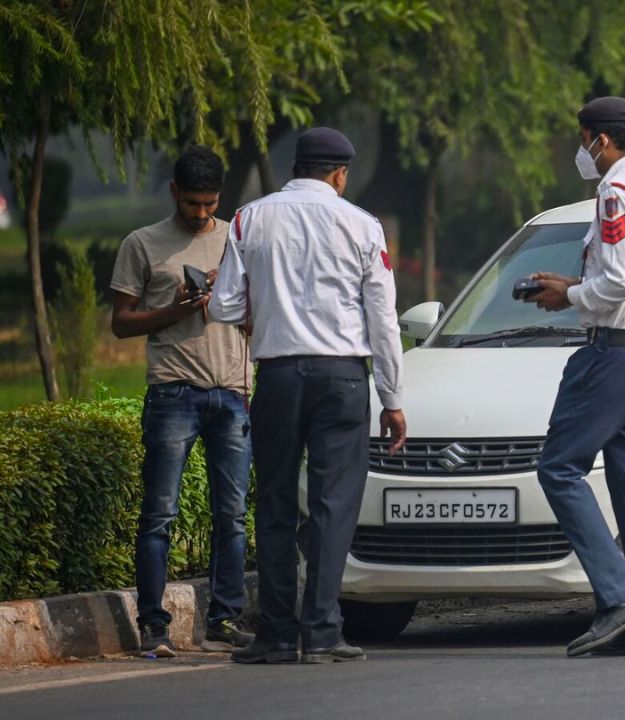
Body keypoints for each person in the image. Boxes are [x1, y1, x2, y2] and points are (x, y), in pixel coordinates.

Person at [209, 127, 407, 664]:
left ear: (296, 167)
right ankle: (321, 630)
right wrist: (391, 396)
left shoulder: (250, 218)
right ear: (340, 173)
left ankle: (276, 633)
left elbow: (223, 306)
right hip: (342, 378)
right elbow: (383, 319)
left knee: (274, 500)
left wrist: (268, 311)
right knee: (332, 504)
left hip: (277, 376)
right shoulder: (362, 225)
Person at [525, 96, 625, 657]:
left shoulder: (616, 190)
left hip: (616, 354)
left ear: (601, 140)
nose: (581, 151)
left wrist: (571, 296)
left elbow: (624, 280)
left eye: (582, 139)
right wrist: (573, 285)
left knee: (558, 468)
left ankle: (620, 601)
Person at [109, 146, 254, 657]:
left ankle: (224, 620)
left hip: (232, 391)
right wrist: (176, 309)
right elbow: (121, 322)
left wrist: (227, 296)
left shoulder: (238, 239)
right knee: (160, 513)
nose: (201, 213)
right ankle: (154, 625)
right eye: (193, 203)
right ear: (174, 192)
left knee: (232, 514)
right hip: (173, 390)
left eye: (209, 203)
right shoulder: (142, 243)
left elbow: (258, 313)